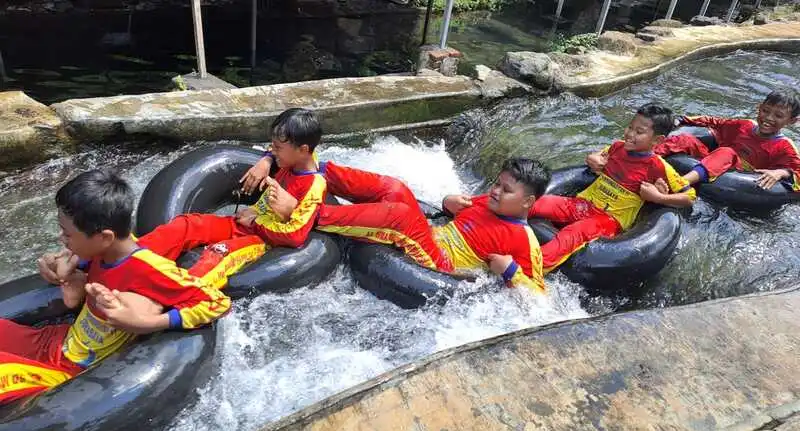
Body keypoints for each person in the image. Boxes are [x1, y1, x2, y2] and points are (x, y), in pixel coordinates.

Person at [0, 170, 231, 405]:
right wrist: (62, 271)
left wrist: (147, 323)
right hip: (57, 342)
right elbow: (76, 263)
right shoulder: (101, 252)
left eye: (67, 233)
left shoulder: (148, 269)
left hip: (72, 373)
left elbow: (216, 302)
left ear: (104, 237)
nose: (62, 239)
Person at [243, 155, 550, 294]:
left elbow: (539, 299)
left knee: (399, 216)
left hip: (442, 265)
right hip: (432, 237)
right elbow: (459, 213)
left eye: (506, 190)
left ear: (527, 202)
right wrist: (447, 204)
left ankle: (300, 211)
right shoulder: (489, 201)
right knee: (397, 189)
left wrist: (510, 271)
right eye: (497, 183)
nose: (495, 191)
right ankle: (313, 168)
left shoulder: (524, 240)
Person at [145, 108, 327, 290]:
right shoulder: (295, 159)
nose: (273, 150)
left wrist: (255, 222)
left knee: (218, 255)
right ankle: (130, 260)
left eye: (277, 148)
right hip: (245, 223)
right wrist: (267, 160)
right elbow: (287, 151)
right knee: (188, 224)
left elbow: (295, 236)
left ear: (303, 150)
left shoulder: (314, 185)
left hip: (264, 241)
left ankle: (172, 299)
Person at [533, 103, 696, 273]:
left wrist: (658, 198)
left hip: (608, 220)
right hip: (581, 204)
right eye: (630, 127)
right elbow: (597, 156)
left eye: (639, 132)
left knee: (574, 233)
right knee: (536, 203)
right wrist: (592, 158)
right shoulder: (617, 147)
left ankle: (530, 269)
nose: (630, 134)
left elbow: (689, 197)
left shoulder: (659, 167)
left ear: (658, 140)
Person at [656, 89, 800, 190]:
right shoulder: (744, 126)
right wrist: (682, 120)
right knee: (684, 139)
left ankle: (682, 182)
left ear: (792, 121)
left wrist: (781, 173)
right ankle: (646, 159)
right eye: (765, 111)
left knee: (726, 152)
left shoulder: (784, 147)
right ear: (759, 107)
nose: (768, 118)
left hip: (742, 177)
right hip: (714, 161)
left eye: (778, 116)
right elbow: (715, 122)